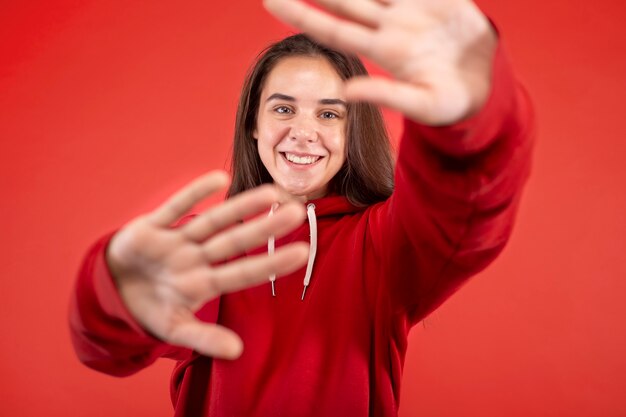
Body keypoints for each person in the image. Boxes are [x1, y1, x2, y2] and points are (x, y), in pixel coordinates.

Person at [69, 0, 534, 416]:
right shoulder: (204, 249)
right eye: (284, 109)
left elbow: (464, 207)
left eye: (329, 114)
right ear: (253, 122)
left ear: (353, 131)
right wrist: (114, 294)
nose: (303, 133)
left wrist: (474, 115)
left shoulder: (382, 245)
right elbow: (102, 348)